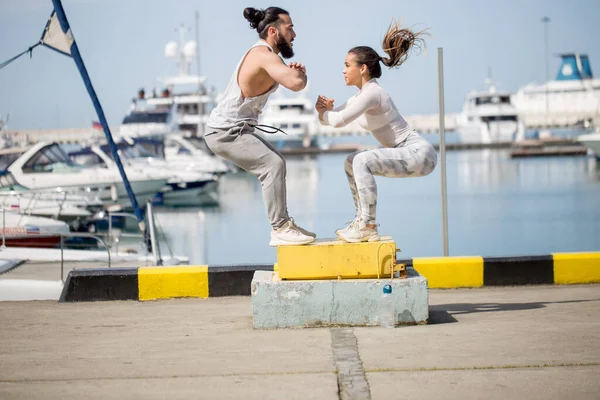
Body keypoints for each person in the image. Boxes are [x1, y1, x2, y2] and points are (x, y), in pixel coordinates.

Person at [316, 20, 437, 243]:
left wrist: (325, 113)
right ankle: (361, 220)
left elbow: (339, 120)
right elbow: (329, 120)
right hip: (405, 153)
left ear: (362, 68)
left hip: (420, 153)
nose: (343, 70)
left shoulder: (374, 93)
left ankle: (368, 225)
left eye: (347, 65)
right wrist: (323, 112)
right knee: (351, 161)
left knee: (362, 161)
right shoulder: (360, 96)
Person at [205, 6, 315, 246]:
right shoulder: (265, 56)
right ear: (274, 31)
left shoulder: (262, 54)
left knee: (276, 162)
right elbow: (296, 85)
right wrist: (300, 74)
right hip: (225, 132)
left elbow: (293, 81)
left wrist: (296, 75)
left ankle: (283, 224)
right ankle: (280, 228)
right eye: (290, 27)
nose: (294, 34)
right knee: (272, 165)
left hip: (230, 130)